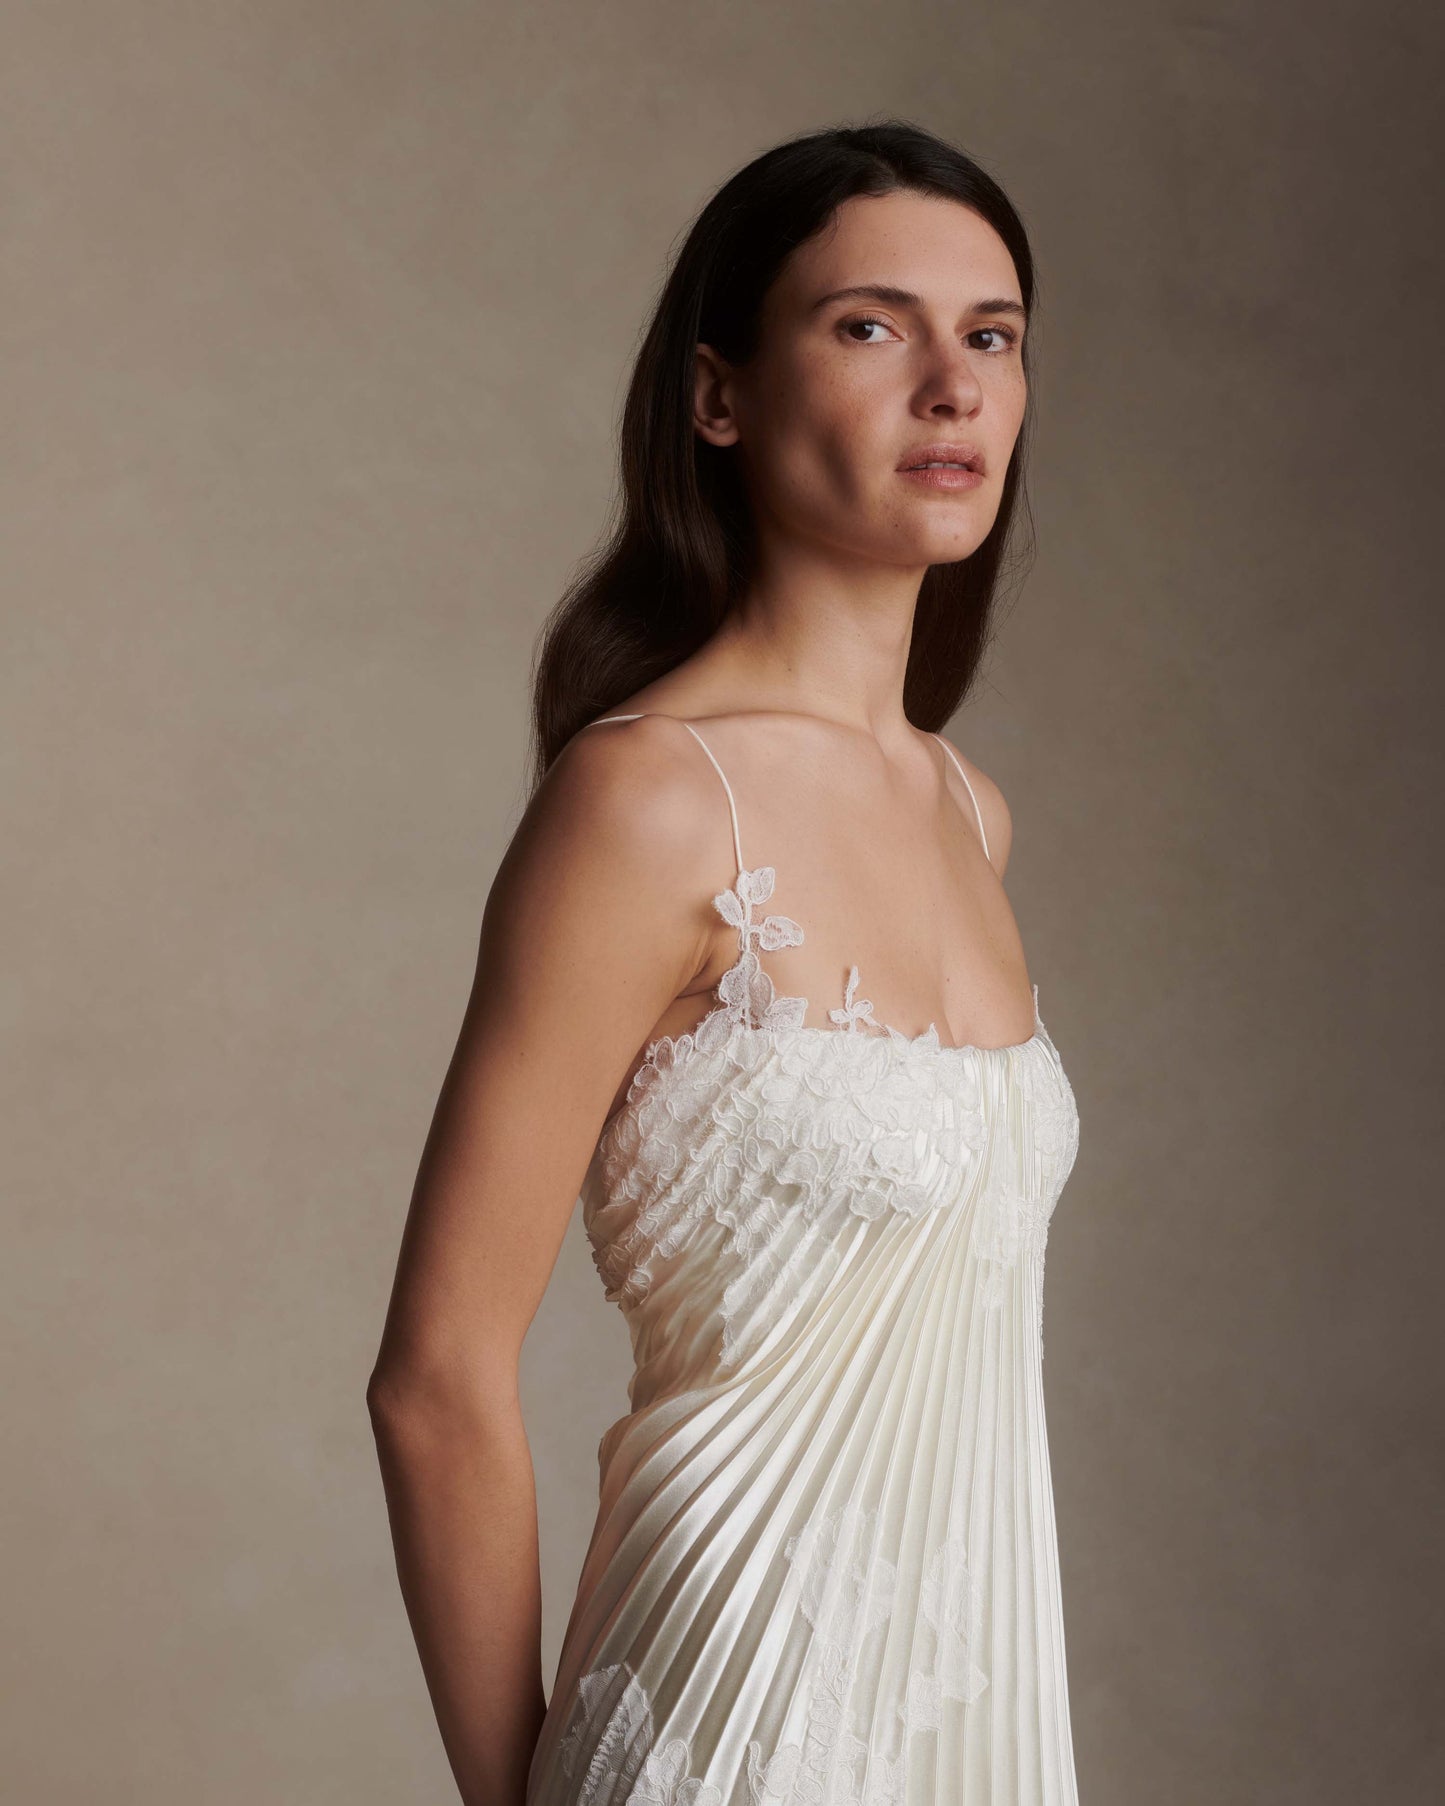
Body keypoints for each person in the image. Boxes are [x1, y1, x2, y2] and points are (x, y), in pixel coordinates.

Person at [367, 119, 1083, 1806]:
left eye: (990, 336)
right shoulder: (649, 800)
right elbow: (438, 1375)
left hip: (975, 1725)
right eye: (868, 326)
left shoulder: (967, 813)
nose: (950, 385)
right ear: (718, 396)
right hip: (723, 1716)